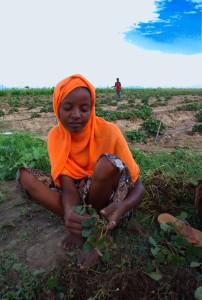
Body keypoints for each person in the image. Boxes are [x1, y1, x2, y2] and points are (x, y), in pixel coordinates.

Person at [16, 74, 145, 269]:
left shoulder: (109, 132)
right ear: (57, 108)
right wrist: (70, 215)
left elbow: (139, 185)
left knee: (107, 163)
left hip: (111, 209)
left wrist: (124, 206)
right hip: (78, 196)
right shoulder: (56, 136)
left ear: (91, 109)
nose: (76, 114)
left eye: (84, 109)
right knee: (24, 176)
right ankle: (84, 226)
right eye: (68, 108)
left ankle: (99, 231)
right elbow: (68, 187)